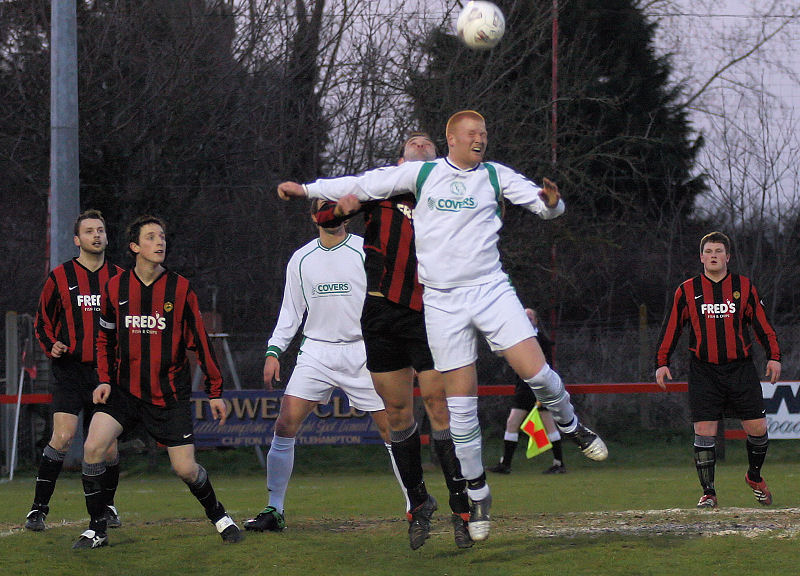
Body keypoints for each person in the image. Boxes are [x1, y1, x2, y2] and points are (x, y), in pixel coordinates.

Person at [277, 110, 608, 542]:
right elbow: (351, 188)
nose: (480, 139)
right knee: (428, 411)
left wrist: (550, 203)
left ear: (438, 147)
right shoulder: (403, 182)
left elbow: (540, 205)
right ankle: (448, 501)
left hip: (461, 300)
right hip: (412, 308)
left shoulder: (471, 176)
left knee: (492, 389)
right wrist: (308, 191)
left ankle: (537, 450)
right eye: (472, 133)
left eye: (484, 133)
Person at [314, 132, 473, 550]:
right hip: (382, 312)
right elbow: (325, 217)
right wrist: (337, 208)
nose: (420, 143)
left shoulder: (452, 193)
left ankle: (462, 507)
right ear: (400, 158)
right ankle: (419, 504)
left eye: (427, 142)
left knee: (439, 405)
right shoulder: (380, 189)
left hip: (431, 313)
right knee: (398, 414)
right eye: (412, 142)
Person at [72, 215, 242, 549]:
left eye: (162, 236)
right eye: (151, 237)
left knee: (186, 469)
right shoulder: (115, 288)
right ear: (135, 247)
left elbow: (200, 343)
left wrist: (215, 391)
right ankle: (97, 529)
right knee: (93, 447)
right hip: (123, 390)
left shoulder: (180, 289)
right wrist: (104, 379)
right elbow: (103, 340)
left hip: (167, 396)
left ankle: (219, 515)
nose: (160, 242)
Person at [243, 200, 394, 535]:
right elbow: (291, 311)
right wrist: (274, 350)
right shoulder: (301, 259)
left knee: (392, 429)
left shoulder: (363, 251)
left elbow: (384, 300)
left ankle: (415, 505)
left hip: (362, 352)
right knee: (285, 423)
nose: (331, 214)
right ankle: (275, 510)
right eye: (324, 209)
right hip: (317, 352)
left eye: (336, 208)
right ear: (314, 216)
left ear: (347, 213)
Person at [655, 231, 781, 509]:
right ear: (701, 257)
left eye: (718, 251)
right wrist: (661, 362)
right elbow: (671, 328)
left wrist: (773, 356)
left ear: (727, 257)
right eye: (708, 251)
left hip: (741, 369)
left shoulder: (744, 286)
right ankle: (708, 492)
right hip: (704, 371)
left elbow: (763, 325)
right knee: (704, 430)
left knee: (758, 428)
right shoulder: (686, 290)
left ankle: (754, 476)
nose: (713, 256)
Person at [26, 209, 123, 532]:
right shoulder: (60, 277)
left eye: (101, 230)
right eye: (89, 231)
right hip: (70, 370)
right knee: (64, 437)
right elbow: (42, 323)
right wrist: (51, 344)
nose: (97, 235)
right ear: (76, 239)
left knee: (107, 446)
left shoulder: (121, 279)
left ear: (107, 237)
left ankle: (107, 506)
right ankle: (38, 509)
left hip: (106, 373)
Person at [488, 308, 566, 475]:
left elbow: (546, 366)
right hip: (524, 388)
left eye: (530, 316)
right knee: (513, 423)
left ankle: (559, 463)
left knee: (548, 423)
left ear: (536, 321)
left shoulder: (541, 341)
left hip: (538, 388)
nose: (527, 318)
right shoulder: (518, 338)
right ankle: (506, 464)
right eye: (524, 316)